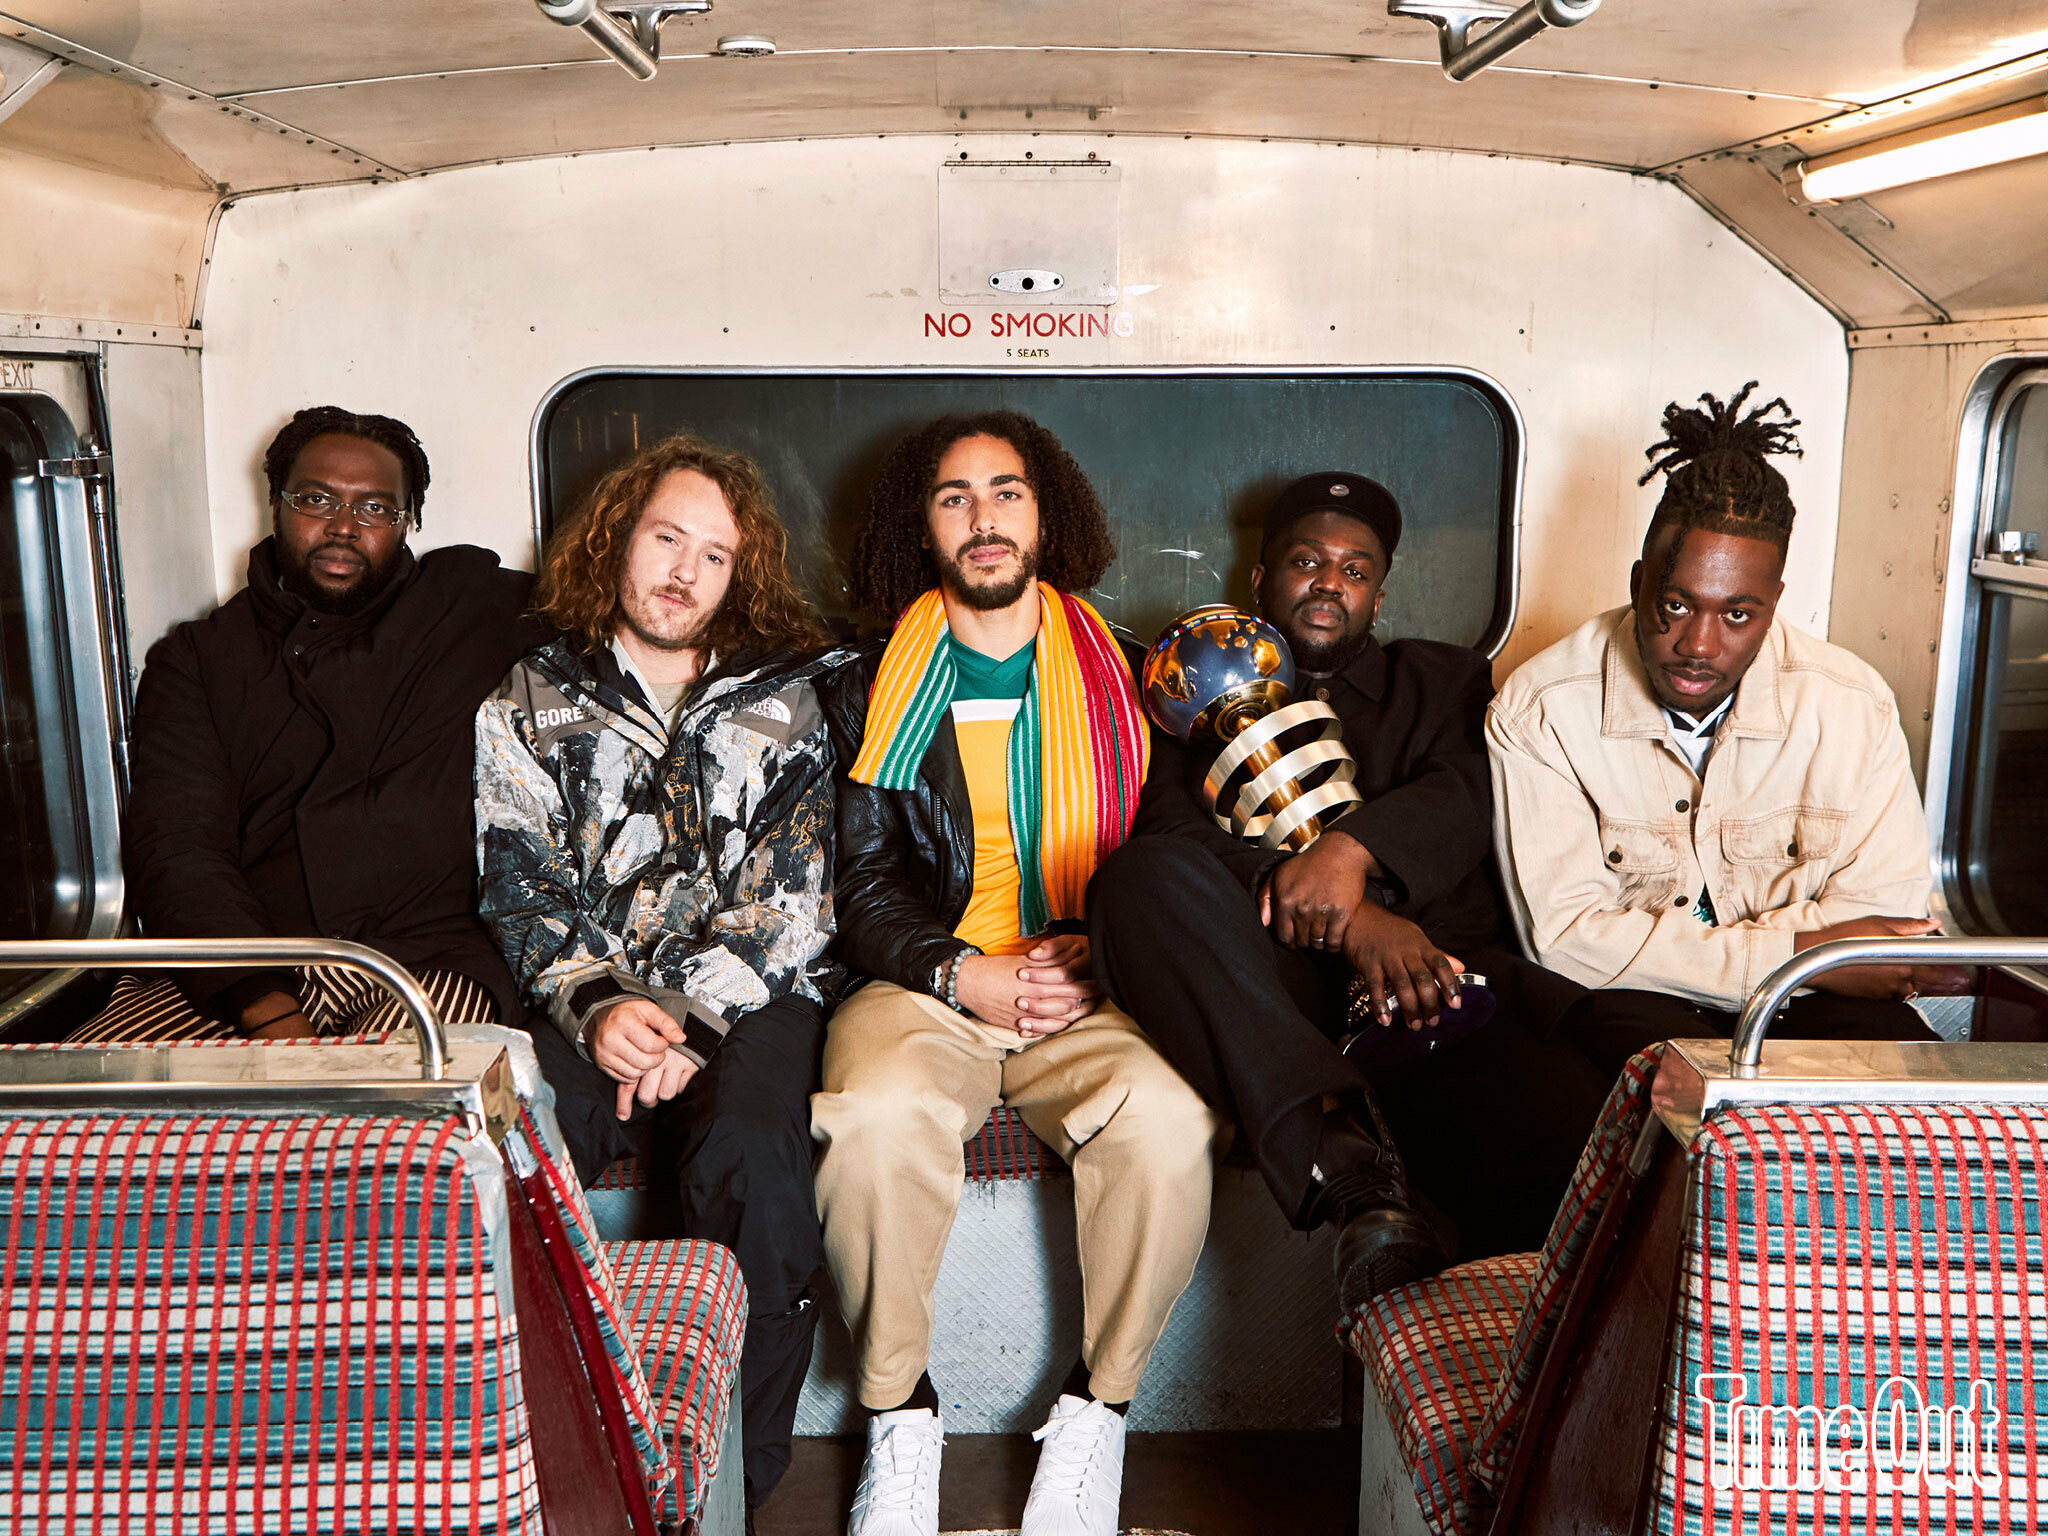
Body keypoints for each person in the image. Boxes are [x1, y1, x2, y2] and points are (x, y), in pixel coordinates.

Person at [814, 411, 1223, 1536]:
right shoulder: (864, 682)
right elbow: (860, 890)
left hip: (1088, 987)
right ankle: (898, 1420)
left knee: (1167, 1122)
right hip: (927, 986)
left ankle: (1096, 1417)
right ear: (923, 526)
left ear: (1050, 517)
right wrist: (958, 975)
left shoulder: (1141, 676)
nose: (982, 518)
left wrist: (1106, 945)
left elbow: (1170, 860)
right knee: (873, 1120)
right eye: (954, 497)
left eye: (1005, 492)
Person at [1090, 472, 1612, 1279]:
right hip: (1277, 995)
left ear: (1377, 592)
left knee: (1562, 1130)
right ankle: (1349, 1173)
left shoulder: (1443, 681)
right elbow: (1172, 832)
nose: (1330, 583)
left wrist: (1351, 856)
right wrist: (1352, 919)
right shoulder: (1189, 700)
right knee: (1136, 879)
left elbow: (1464, 796)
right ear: (1263, 581)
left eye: (1355, 570)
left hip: (1434, 983)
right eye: (1308, 562)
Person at [474, 434, 844, 1516]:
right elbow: (518, 881)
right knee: (519, 1142)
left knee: (754, 1162)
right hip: (590, 996)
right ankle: (542, 1465)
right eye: (665, 539)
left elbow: (793, 904)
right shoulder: (530, 698)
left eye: (714, 556)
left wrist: (680, 1020)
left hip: (753, 998)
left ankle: (736, 1479)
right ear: (617, 542)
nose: (684, 572)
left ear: (741, 576)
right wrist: (599, 1011)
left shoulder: (786, 703)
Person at [1487, 384, 1966, 1076]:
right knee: (1678, 1104)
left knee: (1904, 1085)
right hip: (1634, 998)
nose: (1699, 645)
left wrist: (1801, 960)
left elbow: (1881, 924)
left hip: (1816, 997)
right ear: (1637, 582)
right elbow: (1568, 943)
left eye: (1737, 615)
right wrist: (1804, 951)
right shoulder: (1541, 707)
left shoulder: (1852, 704)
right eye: (1676, 604)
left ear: (1774, 604)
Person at [93, 406, 546, 1044]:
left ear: (408, 521)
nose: (342, 527)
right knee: (88, 1101)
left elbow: (637, 605)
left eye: (375, 509)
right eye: (315, 499)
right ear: (275, 504)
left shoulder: (478, 611)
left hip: (430, 957)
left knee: (383, 1113)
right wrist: (261, 999)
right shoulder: (200, 658)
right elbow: (178, 844)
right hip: (247, 957)